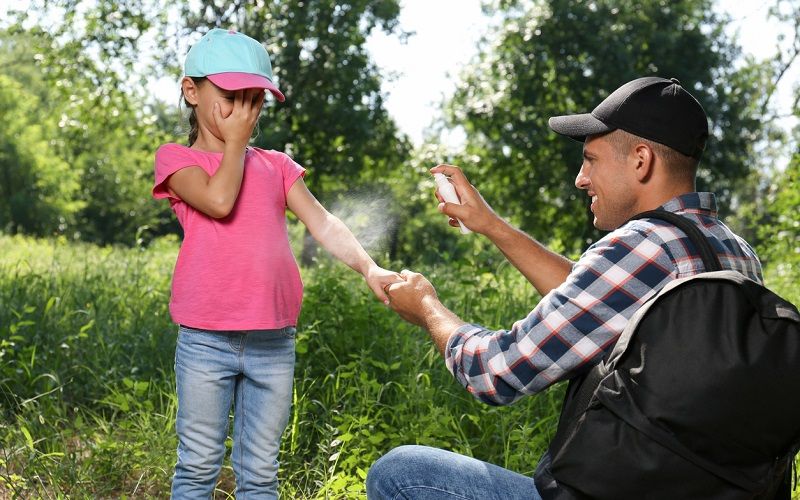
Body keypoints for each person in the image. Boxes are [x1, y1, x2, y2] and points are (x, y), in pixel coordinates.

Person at [366, 76, 764, 499]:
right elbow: (601, 301)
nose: (580, 178)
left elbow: (495, 372)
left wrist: (427, 307)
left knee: (400, 473)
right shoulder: (736, 253)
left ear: (641, 160)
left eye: (591, 160)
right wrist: (492, 226)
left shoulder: (640, 245)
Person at [152, 28, 402, 498]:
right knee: (199, 465)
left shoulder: (276, 166)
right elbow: (219, 201)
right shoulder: (176, 160)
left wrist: (369, 267)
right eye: (232, 98)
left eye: (255, 100)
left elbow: (323, 222)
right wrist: (234, 145)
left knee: (261, 470)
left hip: (273, 340)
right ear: (191, 90)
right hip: (206, 339)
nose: (245, 113)